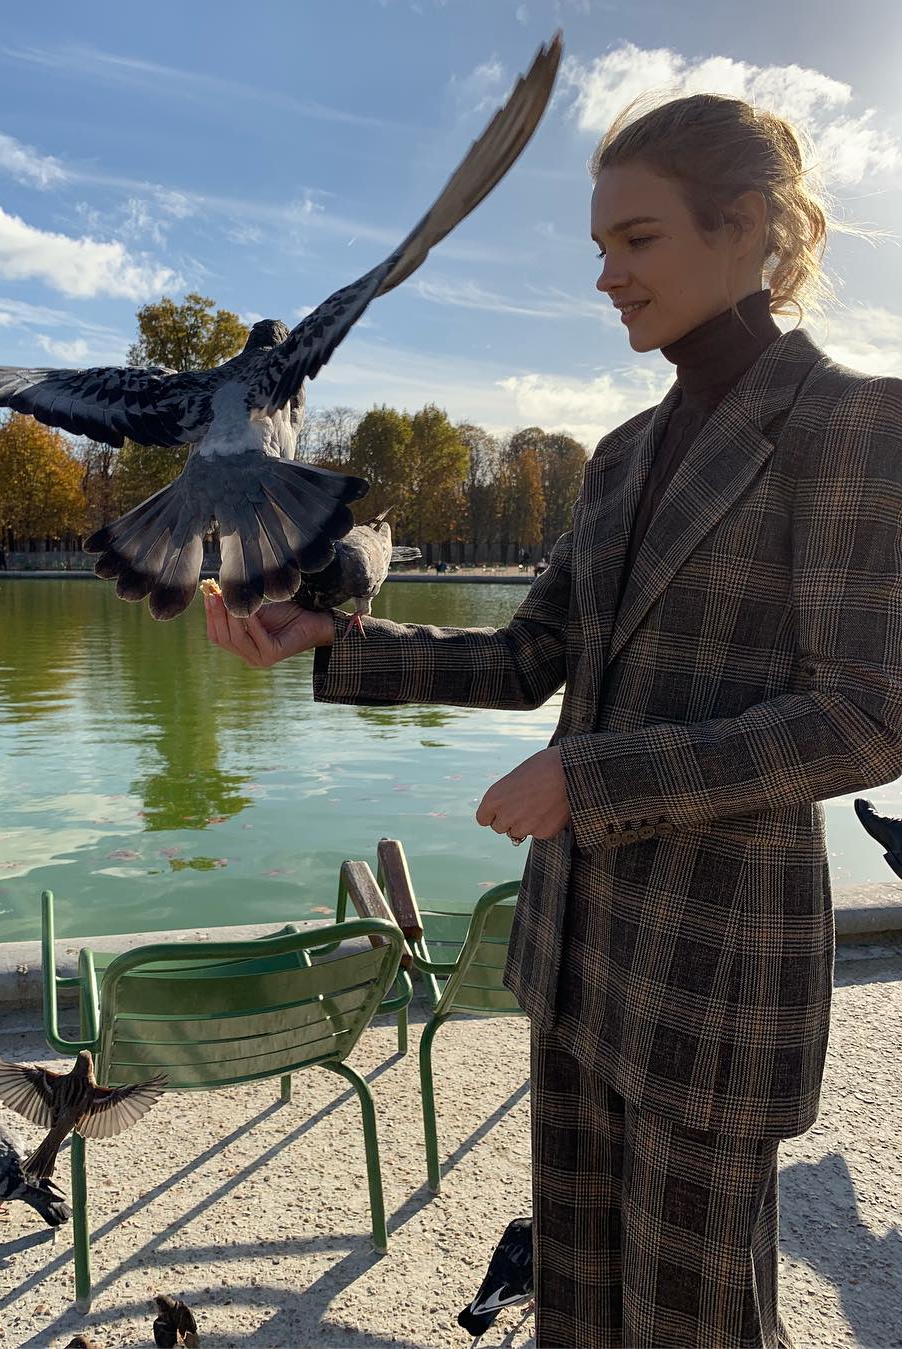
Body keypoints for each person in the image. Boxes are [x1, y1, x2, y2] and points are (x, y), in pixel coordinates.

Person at [204, 91, 902, 1347]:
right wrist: (333, 637)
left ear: (746, 225)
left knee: (698, 1324)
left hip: (714, 972)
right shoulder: (619, 454)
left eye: (637, 239)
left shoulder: (859, 425)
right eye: (599, 245)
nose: (605, 275)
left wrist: (592, 778)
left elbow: (867, 717)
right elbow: (529, 655)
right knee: (577, 1311)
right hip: (573, 951)